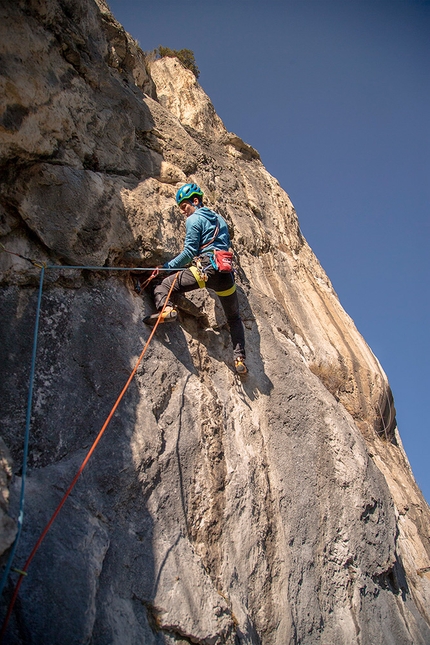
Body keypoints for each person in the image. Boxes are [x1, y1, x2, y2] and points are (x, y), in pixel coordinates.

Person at [144, 183, 247, 374]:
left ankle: (167, 309)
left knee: (165, 285)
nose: (183, 211)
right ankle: (239, 359)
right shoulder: (220, 220)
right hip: (225, 276)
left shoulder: (194, 220)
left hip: (205, 271)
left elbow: (189, 252)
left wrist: (166, 268)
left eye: (184, 206)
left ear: (196, 201)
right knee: (234, 318)